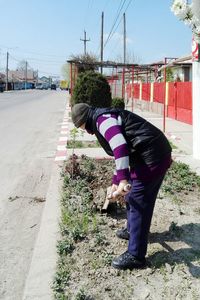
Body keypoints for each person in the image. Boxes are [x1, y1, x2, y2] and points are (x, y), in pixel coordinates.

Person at [71, 103, 172, 270]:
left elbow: (120, 146)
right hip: (148, 155)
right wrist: (115, 181)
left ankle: (136, 256)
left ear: (83, 121)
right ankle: (133, 232)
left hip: (154, 157)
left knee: (139, 201)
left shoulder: (102, 121)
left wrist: (123, 180)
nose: (82, 130)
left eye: (80, 126)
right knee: (132, 197)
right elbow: (121, 153)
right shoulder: (102, 117)